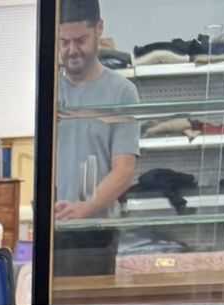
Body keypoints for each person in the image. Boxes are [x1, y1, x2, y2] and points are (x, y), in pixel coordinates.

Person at [54, 0, 140, 222]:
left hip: (98, 232)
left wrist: (84, 208)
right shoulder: (48, 91)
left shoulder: (122, 92)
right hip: (53, 224)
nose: (71, 51)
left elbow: (124, 171)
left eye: (80, 40)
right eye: (64, 42)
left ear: (98, 29)